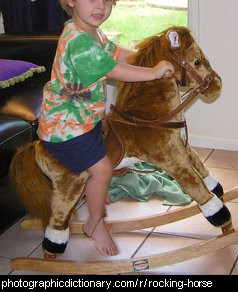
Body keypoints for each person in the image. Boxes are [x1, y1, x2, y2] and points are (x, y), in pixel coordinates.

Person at [37, 0, 175, 257]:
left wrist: (145, 60)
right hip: (64, 128)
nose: (100, 6)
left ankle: (96, 195)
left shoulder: (91, 32)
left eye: (106, 0)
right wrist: (153, 73)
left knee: (106, 153)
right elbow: (115, 69)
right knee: (102, 169)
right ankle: (95, 222)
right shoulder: (77, 41)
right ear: (70, 1)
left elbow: (115, 53)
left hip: (84, 121)